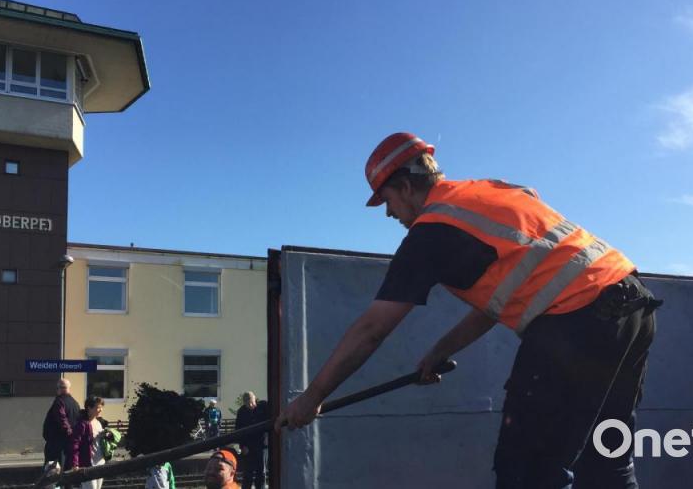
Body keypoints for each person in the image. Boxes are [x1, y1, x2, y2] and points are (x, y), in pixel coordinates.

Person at [276, 132, 660, 489]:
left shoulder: (431, 231)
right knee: (608, 456)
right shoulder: (492, 192)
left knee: (526, 471)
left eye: (386, 200)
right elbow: (502, 300)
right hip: (632, 307)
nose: (389, 213)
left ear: (406, 187)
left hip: (577, 322)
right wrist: (441, 351)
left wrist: (312, 398)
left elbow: (372, 328)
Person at [43, 378, 81, 470]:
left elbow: (62, 420)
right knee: (66, 469)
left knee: (53, 470)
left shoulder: (59, 402)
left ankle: (54, 484)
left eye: (57, 388)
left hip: (57, 443)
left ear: (60, 388)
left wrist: (68, 432)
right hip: (68, 443)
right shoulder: (75, 403)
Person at [69, 396, 107, 489]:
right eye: (97, 407)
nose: (100, 410)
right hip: (87, 464)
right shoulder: (82, 424)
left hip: (100, 461)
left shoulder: (98, 422)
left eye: (101, 407)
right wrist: (75, 464)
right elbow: (75, 444)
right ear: (89, 408)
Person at [234, 392, 267, 488]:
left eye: (252, 403)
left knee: (261, 472)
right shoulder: (241, 412)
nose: (251, 405)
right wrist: (242, 446)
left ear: (255, 399)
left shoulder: (263, 407)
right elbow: (238, 430)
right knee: (248, 473)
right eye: (248, 404)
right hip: (248, 446)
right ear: (244, 403)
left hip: (261, 444)